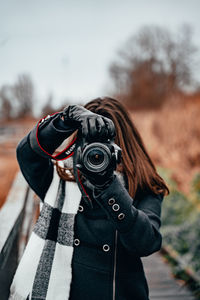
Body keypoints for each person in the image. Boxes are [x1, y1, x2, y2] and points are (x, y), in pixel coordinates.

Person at [9, 97, 169, 300]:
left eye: (106, 143)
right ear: (77, 143)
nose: (97, 152)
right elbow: (26, 154)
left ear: (124, 147)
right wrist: (65, 120)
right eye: (90, 141)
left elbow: (146, 243)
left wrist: (108, 187)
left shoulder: (144, 186)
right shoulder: (57, 180)